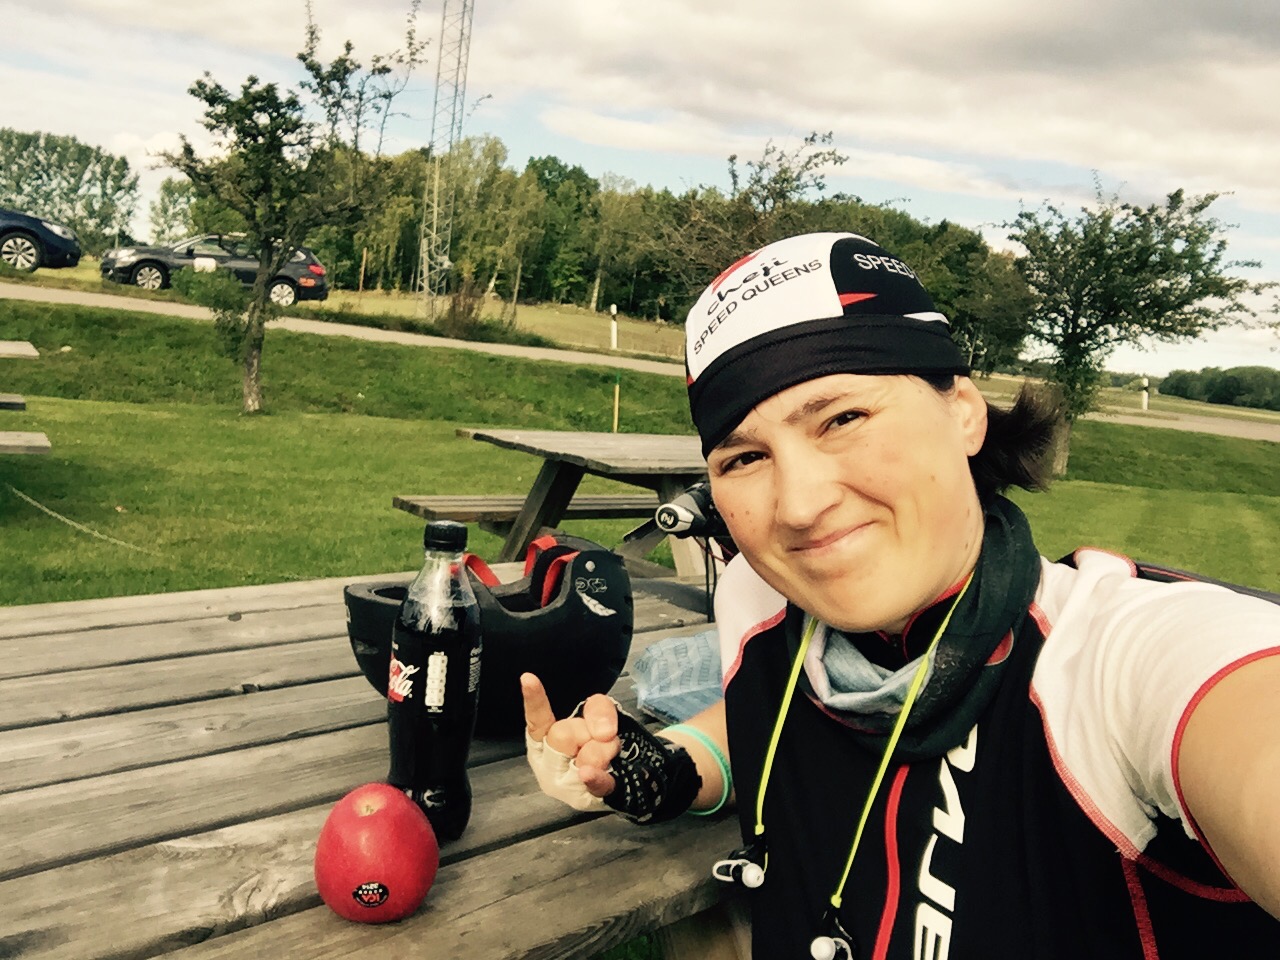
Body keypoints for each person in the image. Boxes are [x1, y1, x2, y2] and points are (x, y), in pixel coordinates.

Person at [520, 231, 1280, 959]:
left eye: (843, 418)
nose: (799, 506)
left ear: (964, 412)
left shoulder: (1117, 664)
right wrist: (665, 768)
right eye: (744, 458)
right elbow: (764, 723)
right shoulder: (759, 599)